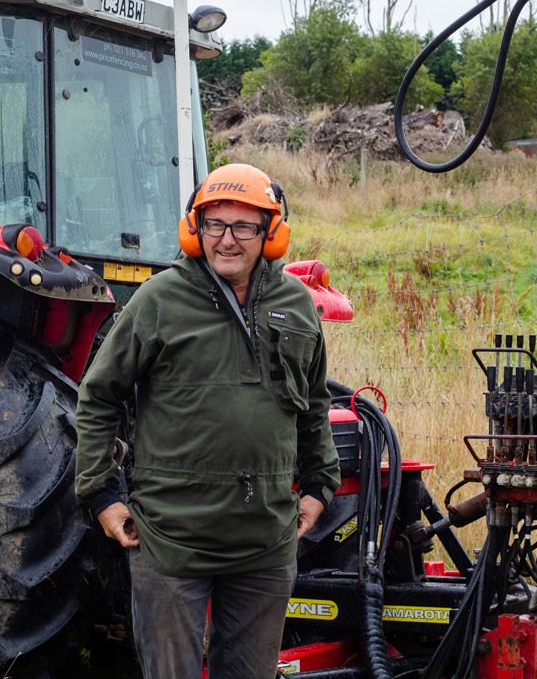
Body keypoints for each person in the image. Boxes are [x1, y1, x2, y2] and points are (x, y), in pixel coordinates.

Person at [76, 163, 340, 679]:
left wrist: (319, 484)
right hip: (171, 541)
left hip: (264, 542)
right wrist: (102, 495)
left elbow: (311, 403)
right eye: (215, 224)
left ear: (271, 232)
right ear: (195, 229)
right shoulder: (159, 300)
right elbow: (98, 395)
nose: (227, 240)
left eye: (244, 227)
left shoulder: (296, 305)